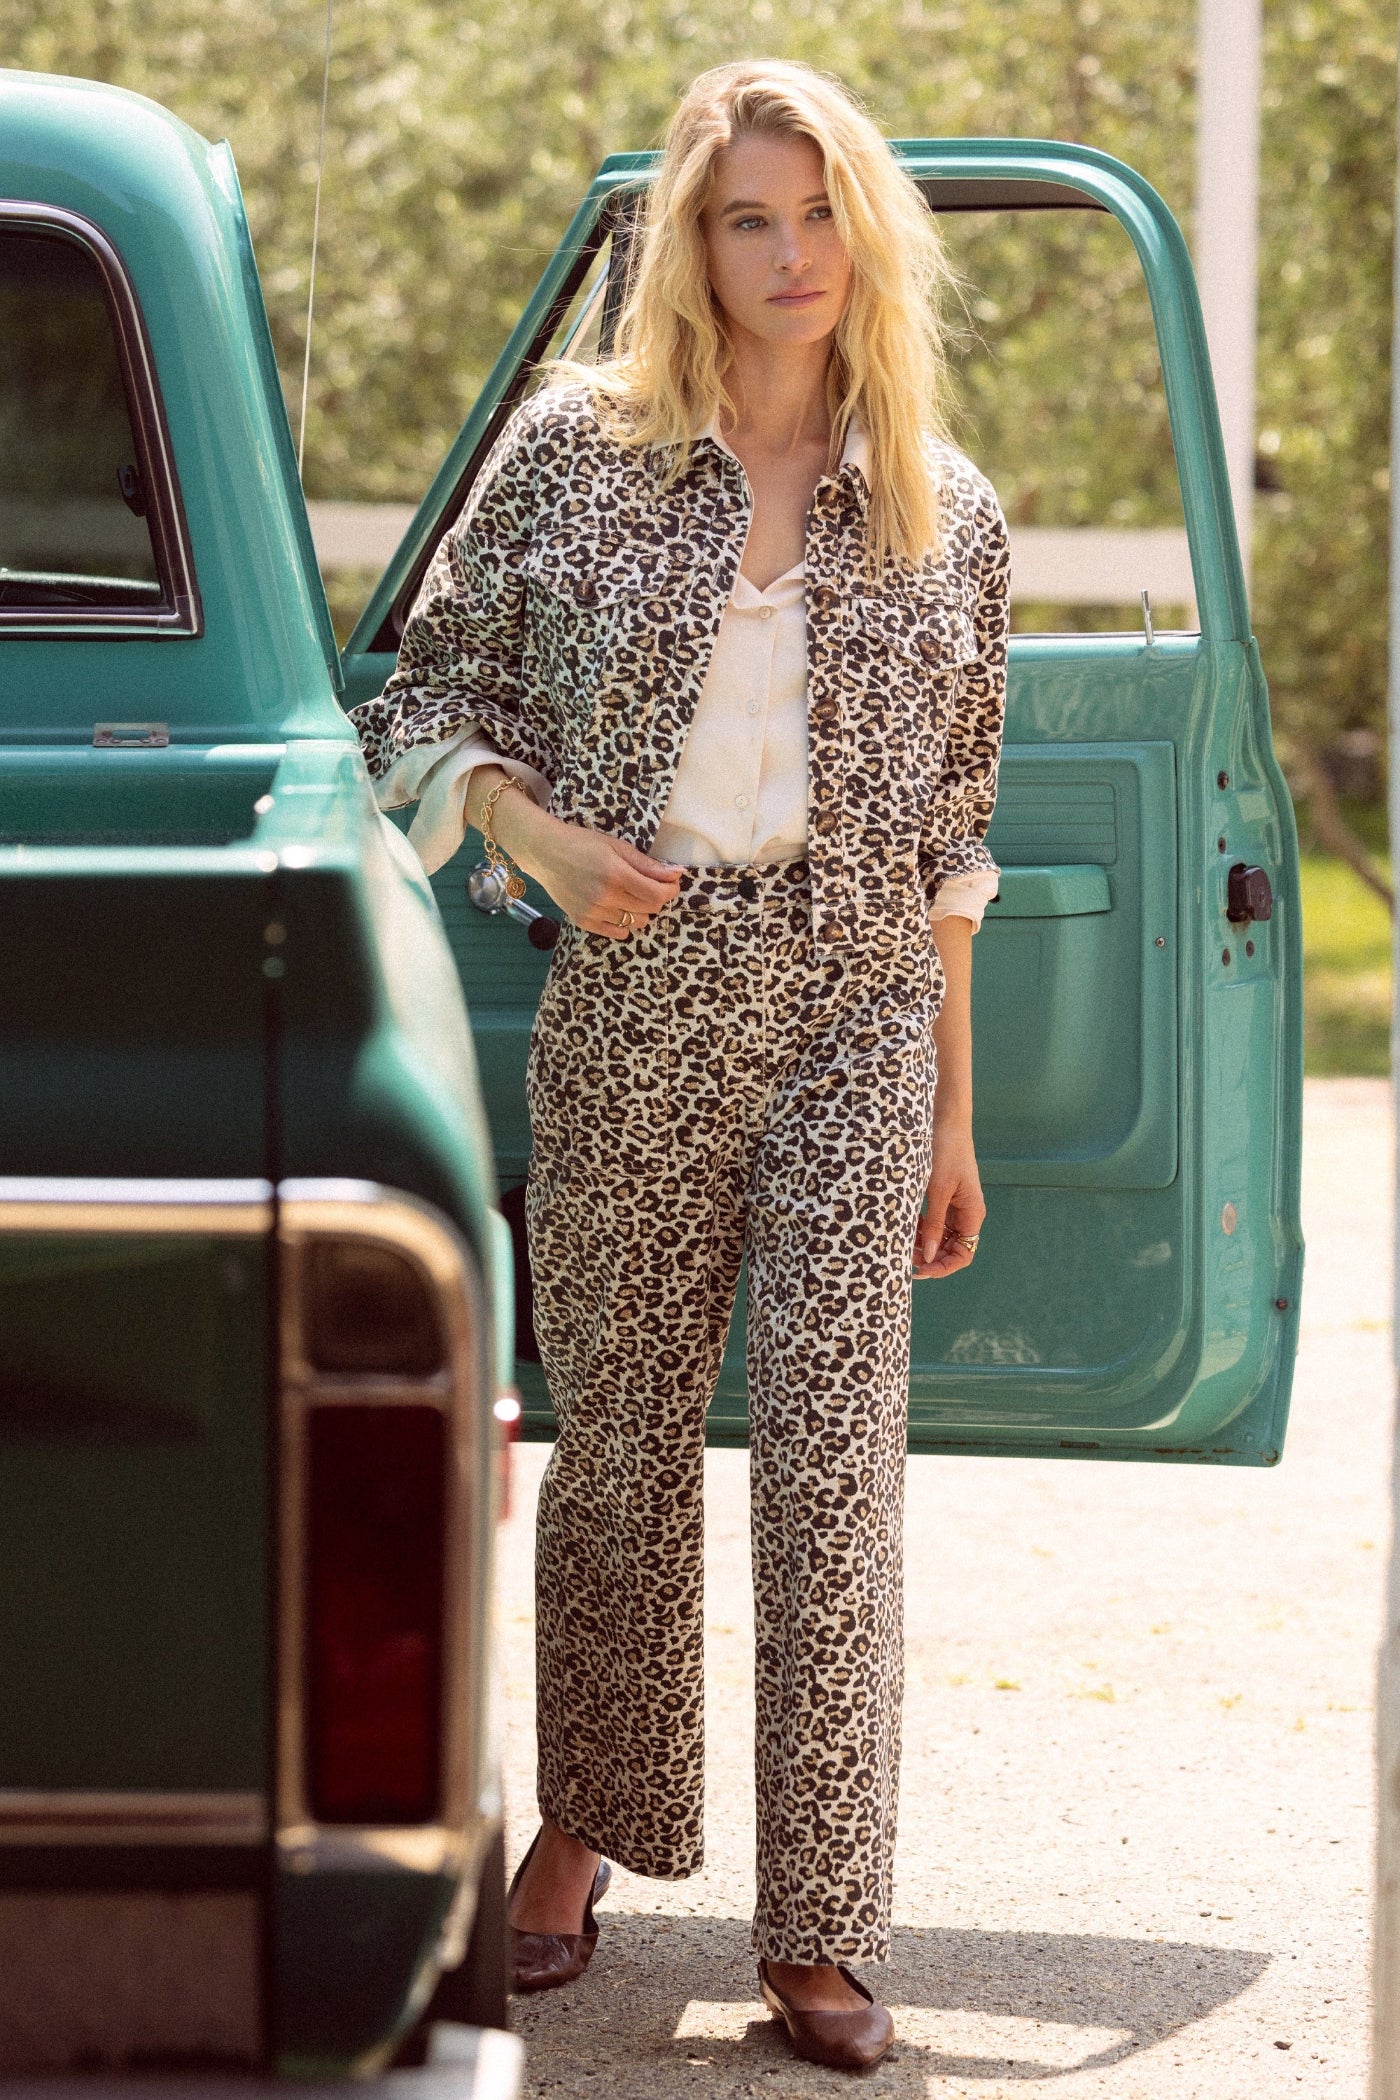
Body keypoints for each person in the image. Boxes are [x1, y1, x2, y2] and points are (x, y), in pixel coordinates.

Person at [350, 57, 1008, 2074]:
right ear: (693, 247)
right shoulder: (577, 454)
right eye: (746, 219)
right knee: (621, 1450)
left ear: (864, 235)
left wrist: (955, 1112)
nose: (789, 254)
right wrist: (536, 843)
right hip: (638, 994)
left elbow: (953, 842)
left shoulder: (949, 509)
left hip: (856, 1010)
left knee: (831, 1466)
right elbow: (418, 703)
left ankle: (821, 1926)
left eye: (817, 215)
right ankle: (584, 1831)